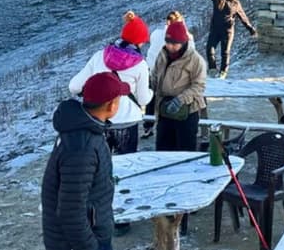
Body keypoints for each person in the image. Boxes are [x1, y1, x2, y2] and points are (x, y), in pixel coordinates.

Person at [42, 71, 126, 250]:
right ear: (111, 105)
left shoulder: (91, 129)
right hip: (73, 244)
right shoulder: (81, 146)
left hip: (93, 233)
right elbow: (69, 209)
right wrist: (88, 249)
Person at [68, 12, 152, 154]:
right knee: (126, 167)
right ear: (139, 42)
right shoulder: (141, 65)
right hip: (127, 121)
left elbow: (74, 87)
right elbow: (143, 99)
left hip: (99, 119)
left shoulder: (100, 55)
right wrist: (151, 92)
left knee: (100, 165)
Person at [151, 21, 207, 152]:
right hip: (164, 110)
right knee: (163, 149)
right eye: (168, 42)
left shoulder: (195, 60)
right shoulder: (162, 55)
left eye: (174, 43)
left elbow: (199, 86)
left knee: (184, 151)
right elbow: (155, 76)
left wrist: (180, 100)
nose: (170, 46)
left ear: (183, 42)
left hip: (186, 112)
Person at [189, 0, 256, 77]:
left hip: (227, 31)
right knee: (209, 49)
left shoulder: (235, 4)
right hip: (215, 30)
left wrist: (251, 29)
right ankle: (212, 70)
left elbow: (243, 17)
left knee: (225, 52)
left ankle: (223, 72)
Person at [143, 11, 195, 139]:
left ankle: (147, 126)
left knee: (152, 99)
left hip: (154, 71)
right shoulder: (186, 38)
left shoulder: (156, 34)